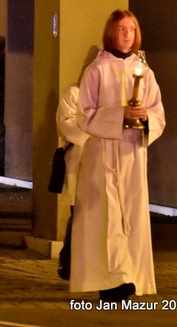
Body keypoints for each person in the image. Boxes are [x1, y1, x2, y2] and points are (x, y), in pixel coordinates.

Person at [71, 9, 165, 302]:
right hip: (103, 155)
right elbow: (83, 115)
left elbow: (158, 113)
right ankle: (110, 280)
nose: (128, 35)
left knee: (131, 216)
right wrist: (119, 114)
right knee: (106, 218)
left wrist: (144, 117)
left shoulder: (145, 71)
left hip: (132, 154)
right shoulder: (97, 70)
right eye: (122, 30)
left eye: (132, 30)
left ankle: (130, 275)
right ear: (112, 32)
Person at [55, 45, 98, 281]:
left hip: (102, 160)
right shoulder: (73, 93)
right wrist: (96, 132)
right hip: (80, 159)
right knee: (79, 210)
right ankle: (69, 261)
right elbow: (66, 124)